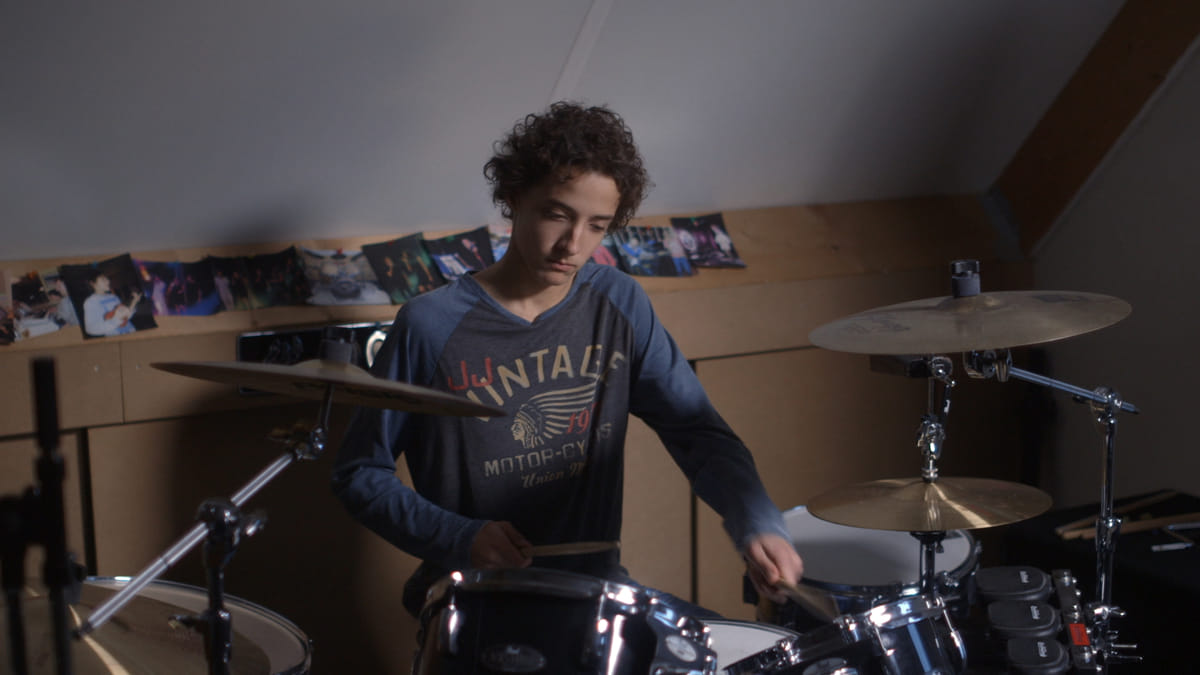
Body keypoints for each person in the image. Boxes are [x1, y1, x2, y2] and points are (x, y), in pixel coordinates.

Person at [331, 101, 802, 619]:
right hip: (476, 600)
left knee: (737, 649)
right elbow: (360, 473)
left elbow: (698, 433)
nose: (573, 245)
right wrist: (459, 537)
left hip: (593, 595)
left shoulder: (619, 302)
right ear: (514, 198)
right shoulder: (431, 325)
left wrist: (758, 522)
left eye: (597, 226)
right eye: (557, 215)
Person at [82, 270, 142, 337]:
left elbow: (125, 316)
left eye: (107, 279)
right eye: (103, 279)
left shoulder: (114, 297)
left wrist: (134, 302)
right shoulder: (90, 302)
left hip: (132, 331)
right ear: (92, 283)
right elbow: (90, 329)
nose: (108, 281)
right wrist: (116, 321)